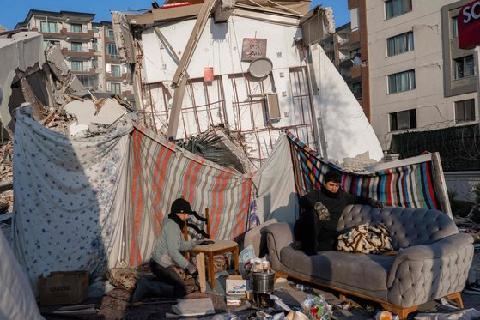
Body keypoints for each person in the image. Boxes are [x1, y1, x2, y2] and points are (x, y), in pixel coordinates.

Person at [295, 171, 382, 255]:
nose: (334, 188)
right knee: (311, 214)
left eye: (336, 185)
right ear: (325, 183)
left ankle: (306, 246)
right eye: (331, 185)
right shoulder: (317, 194)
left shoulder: (343, 196)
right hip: (312, 229)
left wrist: (371, 201)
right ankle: (310, 249)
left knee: (338, 241)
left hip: (327, 233)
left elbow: (357, 199)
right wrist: (318, 206)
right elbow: (303, 200)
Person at [150, 197, 202, 298]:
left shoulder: (175, 224)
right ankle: (149, 286)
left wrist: (195, 243)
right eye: (186, 214)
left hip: (162, 263)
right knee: (180, 290)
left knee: (174, 283)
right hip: (159, 264)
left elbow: (181, 245)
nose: (187, 217)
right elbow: (173, 252)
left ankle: (151, 282)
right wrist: (189, 266)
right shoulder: (172, 226)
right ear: (179, 213)